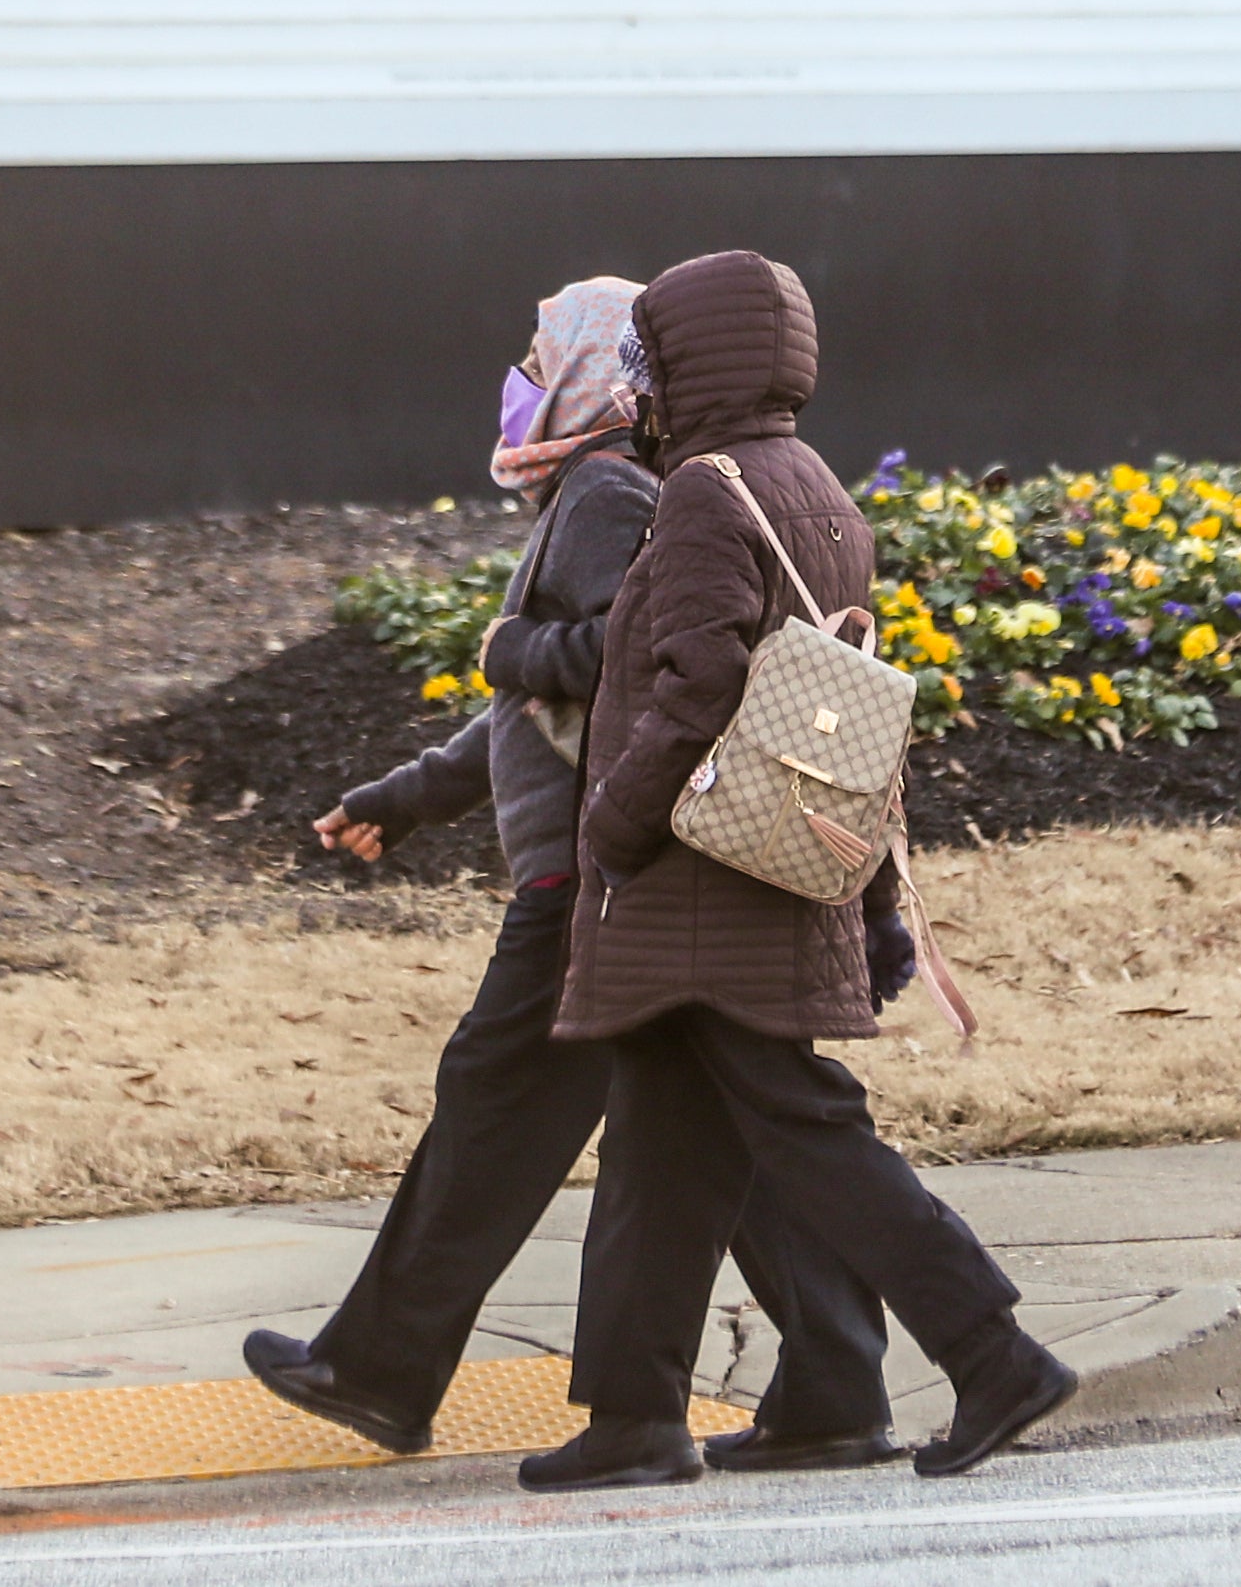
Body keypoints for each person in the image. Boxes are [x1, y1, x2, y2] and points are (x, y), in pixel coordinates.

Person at [243, 276, 905, 1475]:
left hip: (592, 878)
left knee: (494, 1111)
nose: (520, 370)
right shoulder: (615, 487)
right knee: (722, 1132)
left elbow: (629, 661)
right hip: (605, 864)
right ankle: (834, 1387)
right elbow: (542, 715)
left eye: (539, 349)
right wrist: (405, 799)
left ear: (595, 369)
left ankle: (382, 1372)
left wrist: (514, 645)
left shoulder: (603, 491)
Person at [522, 250, 1077, 1494]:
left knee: (814, 1138)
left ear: (692, 361)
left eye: (651, 354)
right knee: (663, 1155)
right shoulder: (815, 484)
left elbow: (699, 684)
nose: (641, 380)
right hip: (766, 872)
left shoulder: (705, 493)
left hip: (699, 880)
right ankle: (637, 1418)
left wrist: (614, 824)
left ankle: (994, 1353)